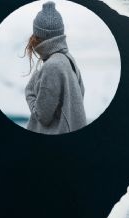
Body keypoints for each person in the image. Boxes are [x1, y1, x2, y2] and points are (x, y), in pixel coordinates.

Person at [24, 1, 86, 134]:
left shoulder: (52, 66)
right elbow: (81, 94)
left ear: (40, 36)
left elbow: (43, 116)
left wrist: (29, 92)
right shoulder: (68, 58)